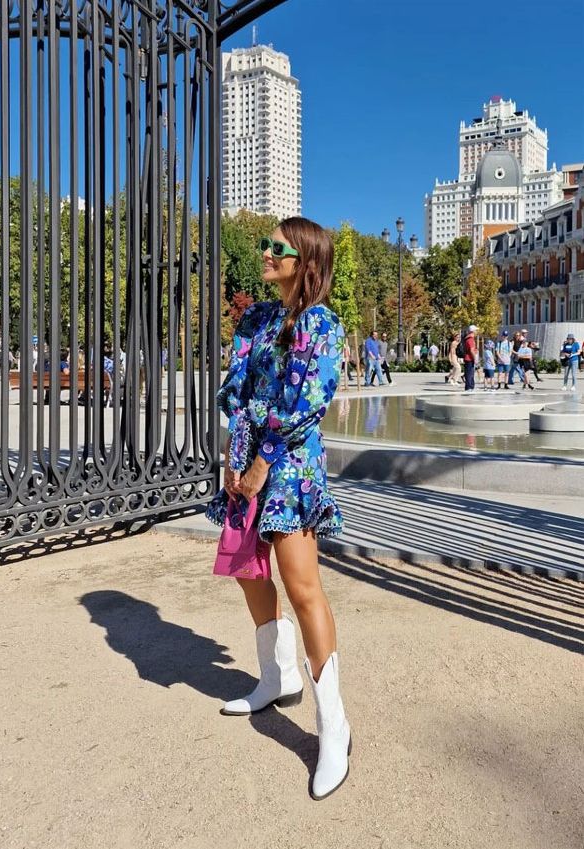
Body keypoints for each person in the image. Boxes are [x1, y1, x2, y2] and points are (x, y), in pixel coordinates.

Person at [205, 217, 351, 800]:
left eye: (277, 247)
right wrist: (232, 455)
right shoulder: (256, 318)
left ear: (305, 262)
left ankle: (333, 725)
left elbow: (309, 401)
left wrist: (264, 457)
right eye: (265, 244)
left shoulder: (322, 324)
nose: (264, 252)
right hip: (247, 461)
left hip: (289, 466)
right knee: (248, 572)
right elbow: (236, 390)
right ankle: (277, 675)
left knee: (302, 585)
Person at [463, 324, 478, 392]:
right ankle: (469, 387)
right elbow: (471, 350)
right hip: (469, 358)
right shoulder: (470, 339)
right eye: (476, 330)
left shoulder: (467, 339)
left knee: (470, 373)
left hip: (468, 358)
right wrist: (475, 358)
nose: (476, 332)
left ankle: (470, 386)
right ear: (473, 331)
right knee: (469, 374)